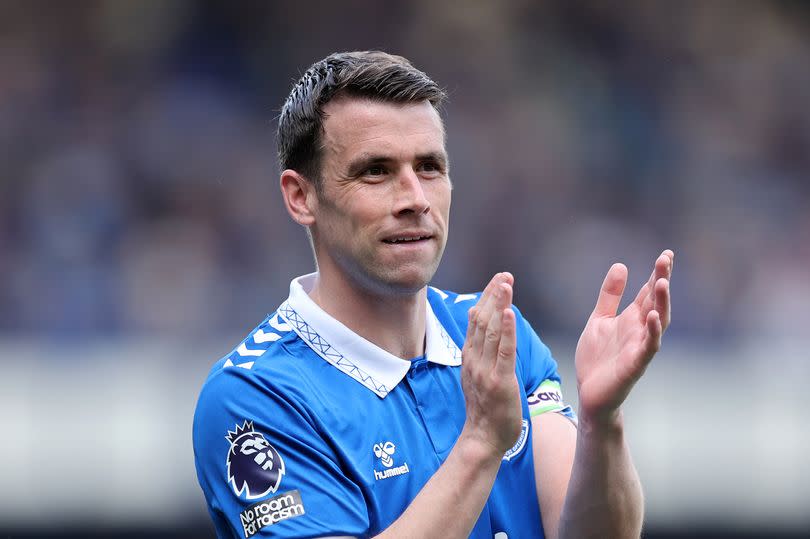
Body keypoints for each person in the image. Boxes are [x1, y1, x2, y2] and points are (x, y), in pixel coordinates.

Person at [192, 50, 673, 539]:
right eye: (375, 171)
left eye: (429, 168)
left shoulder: (496, 337)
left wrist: (601, 421)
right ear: (302, 196)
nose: (415, 199)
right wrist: (481, 443)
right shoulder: (256, 396)